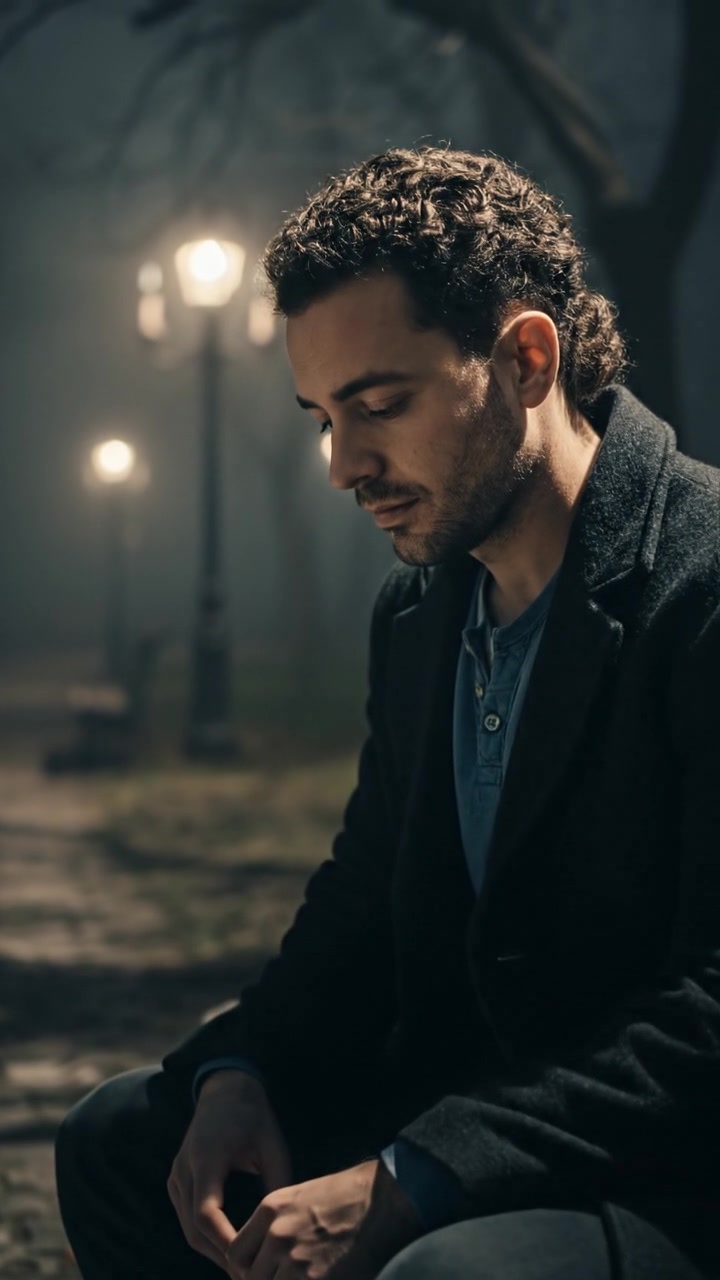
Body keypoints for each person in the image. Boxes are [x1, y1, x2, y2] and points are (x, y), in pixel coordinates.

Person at [55, 147, 720, 1280]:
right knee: (128, 1139)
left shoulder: (698, 586)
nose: (341, 464)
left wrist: (419, 1174)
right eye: (320, 414)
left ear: (523, 358)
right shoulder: (419, 612)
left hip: (669, 1166)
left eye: (380, 405)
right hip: (462, 1106)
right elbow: (363, 897)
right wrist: (242, 1067)